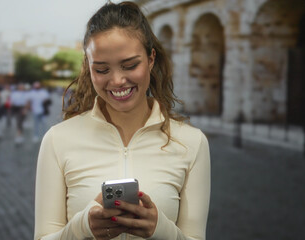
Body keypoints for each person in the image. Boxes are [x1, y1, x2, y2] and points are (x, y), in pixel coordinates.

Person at [34, 2, 211, 240]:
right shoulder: (57, 140)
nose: (117, 81)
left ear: (150, 59)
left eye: (130, 65)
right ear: (88, 67)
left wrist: (161, 229)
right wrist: (82, 227)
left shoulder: (192, 142)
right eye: (102, 70)